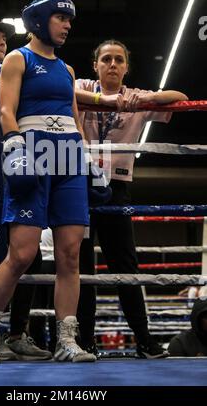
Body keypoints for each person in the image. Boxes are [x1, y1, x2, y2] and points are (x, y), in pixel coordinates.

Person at [0, 0, 101, 363]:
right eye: (61, 18)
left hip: (68, 158)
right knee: (23, 253)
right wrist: (15, 148)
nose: (67, 25)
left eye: (69, 21)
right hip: (33, 152)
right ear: (41, 19)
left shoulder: (66, 70)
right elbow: (5, 110)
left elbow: (74, 119)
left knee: (70, 255)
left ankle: (67, 340)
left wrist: (86, 158)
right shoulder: (18, 59)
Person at [76, 39, 188, 358]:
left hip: (116, 186)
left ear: (126, 67)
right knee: (81, 266)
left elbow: (180, 98)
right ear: (95, 65)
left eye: (119, 60)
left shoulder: (135, 96)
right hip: (79, 183)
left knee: (125, 263)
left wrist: (143, 100)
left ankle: (143, 339)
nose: (112, 64)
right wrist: (104, 101)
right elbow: (64, 92)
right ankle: (84, 340)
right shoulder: (82, 86)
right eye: (106, 59)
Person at [0, 20, 51, 361]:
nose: (1, 42)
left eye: (4, 37)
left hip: (15, 168)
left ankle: (17, 333)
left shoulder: (17, 68)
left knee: (29, 255)